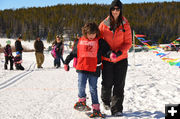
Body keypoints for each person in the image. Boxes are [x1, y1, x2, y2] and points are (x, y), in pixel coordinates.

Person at [63, 22, 112, 118]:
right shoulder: (80, 41)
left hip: (94, 69)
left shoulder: (100, 41)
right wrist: (66, 62)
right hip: (82, 68)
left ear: (96, 33)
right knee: (81, 85)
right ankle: (82, 102)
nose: (91, 36)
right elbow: (73, 53)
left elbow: (106, 51)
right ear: (85, 33)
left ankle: (96, 109)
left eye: (93, 33)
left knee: (93, 89)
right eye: (89, 33)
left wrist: (111, 54)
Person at [99, 0, 132, 116]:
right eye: (113, 9)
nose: (115, 11)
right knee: (107, 83)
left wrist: (119, 52)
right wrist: (107, 53)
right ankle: (105, 100)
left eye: (118, 9)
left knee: (119, 84)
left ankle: (117, 109)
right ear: (110, 10)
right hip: (107, 59)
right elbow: (99, 41)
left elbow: (128, 42)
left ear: (121, 10)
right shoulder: (103, 24)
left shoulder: (125, 24)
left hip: (121, 59)